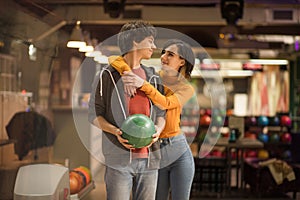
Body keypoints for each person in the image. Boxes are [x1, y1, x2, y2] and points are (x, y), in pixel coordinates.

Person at [88, 20, 166, 200]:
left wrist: (158, 130)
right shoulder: (106, 76)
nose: (154, 46)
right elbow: (94, 114)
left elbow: (162, 112)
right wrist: (116, 132)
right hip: (118, 159)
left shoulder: (153, 77)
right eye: (150, 41)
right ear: (135, 42)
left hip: (150, 160)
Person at [110, 39, 196, 200]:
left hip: (178, 150)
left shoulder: (186, 88)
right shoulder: (155, 77)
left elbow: (166, 103)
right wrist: (126, 71)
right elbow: (113, 59)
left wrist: (143, 84)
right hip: (155, 149)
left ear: (182, 61)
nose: (163, 57)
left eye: (170, 54)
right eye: (163, 52)